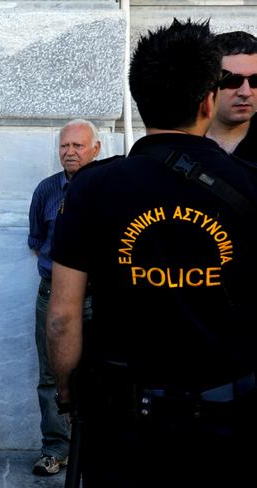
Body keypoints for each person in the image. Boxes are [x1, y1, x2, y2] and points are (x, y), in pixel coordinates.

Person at [47, 19, 257, 487]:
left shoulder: (93, 187)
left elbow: (63, 315)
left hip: (124, 424)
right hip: (226, 419)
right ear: (208, 101)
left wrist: (66, 392)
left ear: (139, 99)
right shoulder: (249, 185)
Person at [27, 119, 100, 476]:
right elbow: (37, 240)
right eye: (64, 146)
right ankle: (55, 449)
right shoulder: (46, 191)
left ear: (96, 149)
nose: (69, 152)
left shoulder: (109, 189)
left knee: (102, 373)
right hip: (51, 297)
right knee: (52, 374)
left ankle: (97, 450)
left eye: (78, 146)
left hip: (100, 298)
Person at [206, 31, 257, 162]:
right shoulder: (185, 141)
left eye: (255, 81)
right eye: (233, 81)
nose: (246, 92)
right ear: (209, 83)